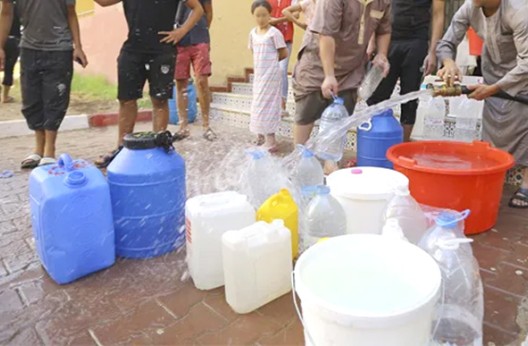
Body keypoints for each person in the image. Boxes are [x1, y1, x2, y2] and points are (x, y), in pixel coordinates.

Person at [436, 0, 528, 208]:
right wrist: (449, 63)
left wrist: (495, 88)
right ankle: (492, 179)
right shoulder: (470, 7)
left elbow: (527, 63)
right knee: (494, 127)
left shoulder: (519, 11)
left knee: (526, 127)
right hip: (493, 70)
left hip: (523, 77)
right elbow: (446, 43)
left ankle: (527, 185)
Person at [93, 0, 204, 168]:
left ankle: (157, 148)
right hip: (133, 49)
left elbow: (198, 9)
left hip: (162, 51)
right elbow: (102, 2)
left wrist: (181, 32)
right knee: (126, 99)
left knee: (160, 100)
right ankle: (122, 149)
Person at [292, 0, 391, 174]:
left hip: (351, 67)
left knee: (342, 114)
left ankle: (331, 164)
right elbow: (326, 35)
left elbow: (384, 29)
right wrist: (329, 75)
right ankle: (297, 161)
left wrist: (382, 54)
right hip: (318, 62)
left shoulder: (384, 2)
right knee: (306, 113)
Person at [0, 0, 88, 169]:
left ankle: (49, 150)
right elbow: (6, 12)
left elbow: (71, 12)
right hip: (28, 48)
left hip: (59, 48)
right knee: (31, 100)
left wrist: (78, 46)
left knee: (55, 99)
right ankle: (38, 149)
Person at [366, 0, 446, 142]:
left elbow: (438, 14)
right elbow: (376, 7)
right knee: (377, 95)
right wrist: (371, 40)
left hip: (416, 40)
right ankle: (374, 142)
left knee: (410, 96)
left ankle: (402, 145)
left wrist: (433, 52)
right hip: (387, 39)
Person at [174, 0, 217, 141]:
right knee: (181, 84)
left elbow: (209, 13)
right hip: (178, 41)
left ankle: (206, 125)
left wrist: (203, 34)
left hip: (200, 40)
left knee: (202, 81)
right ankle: (183, 127)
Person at [249, 0, 288, 151]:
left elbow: (283, 52)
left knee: (269, 105)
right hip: (259, 74)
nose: (261, 19)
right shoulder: (252, 33)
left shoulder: (274, 33)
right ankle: (260, 136)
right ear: (253, 16)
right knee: (258, 103)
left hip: (271, 75)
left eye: (264, 15)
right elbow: (253, 51)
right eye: (258, 15)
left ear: (269, 15)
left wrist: (271, 64)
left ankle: (271, 140)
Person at [268, 0, 295, 116]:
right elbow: (261, 12)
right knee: (270, 71)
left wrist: (277, 20)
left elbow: (296, 15)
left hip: (286, 39)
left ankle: (282, 105)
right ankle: (270, 104)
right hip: (269, 38)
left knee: (282, 70)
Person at [1, 4, 20, 104]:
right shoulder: (20, 7)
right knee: (9, 68)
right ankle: (5, 95)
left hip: (3, 39)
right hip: (13, 40)